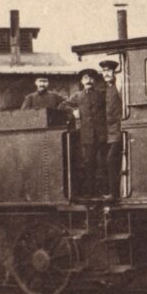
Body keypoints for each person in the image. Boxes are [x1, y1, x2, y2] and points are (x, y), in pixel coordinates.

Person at [61, 68, 107, 197]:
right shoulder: (77, 96)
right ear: (82, 81)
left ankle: (105, 191)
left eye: (91, 78)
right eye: (86, 78)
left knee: (104, 163)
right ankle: (91, 192)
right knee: (89, 164)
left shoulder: (102, 94)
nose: (89, 81)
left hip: (103, 134)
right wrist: (73, 111)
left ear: (95, 81)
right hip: (87, 136)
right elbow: (62, 105)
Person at [99, 59, 124, 201]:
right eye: (104, 71)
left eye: (108, 71)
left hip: (119, 130)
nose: (106, 74)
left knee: (111, 160)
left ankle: (115, 194)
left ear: (114, 72)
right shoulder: (106, 89)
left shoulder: (119, 86)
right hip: (109, 132)